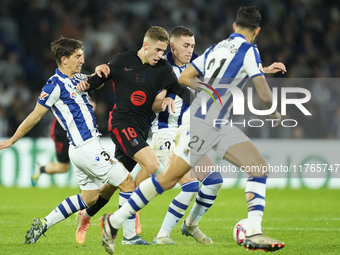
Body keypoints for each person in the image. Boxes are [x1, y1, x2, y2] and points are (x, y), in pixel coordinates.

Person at [99, 6, 286, 254]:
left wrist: (210, 92)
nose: (189, 49)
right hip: (201, 125)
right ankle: (117, 222)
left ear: (234, 27)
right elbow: (261, 90)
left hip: (214, 122)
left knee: (257, 169)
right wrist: (273, 110)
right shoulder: (249, 50)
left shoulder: (217, 48)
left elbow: (187, 76)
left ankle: (251, 231)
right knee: (169, 180)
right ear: (258, 30)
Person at [0, 37, 147, 245]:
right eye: (77, 56)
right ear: (64, 59)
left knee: (89, 198)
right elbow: (35, 116)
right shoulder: (54, 85)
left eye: (82, 55)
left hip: (79, 150)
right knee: (128, 182)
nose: (82, 59)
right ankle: (130, 238)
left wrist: (102, 69)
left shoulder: (77, 78)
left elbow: (96, 82)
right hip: (86, 148)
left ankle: (44, 222)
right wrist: (12, 140)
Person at [73, 26, 194, 244]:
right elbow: (101, 77)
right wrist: (87, 84)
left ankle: (87, 215)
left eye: (163, 51)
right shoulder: (123, 61)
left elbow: (181, 90)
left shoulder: (163, 69)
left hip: (140, 129)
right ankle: (130, 229)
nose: (160, 55)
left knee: (111, 187)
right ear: (145, 45)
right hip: (121, 123)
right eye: (157, 50)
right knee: (153, 165)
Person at [151, 26, 223, 245]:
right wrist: (162, 102)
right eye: (186, 45)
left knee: (214, 181)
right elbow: (152, 104)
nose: (191, 49)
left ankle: (191, 224)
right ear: (172, 46)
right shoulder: (161, 67)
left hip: (188, 135)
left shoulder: (196, 66)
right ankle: (161, 236)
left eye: (192, 45)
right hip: (165, 133)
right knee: (190, 186)